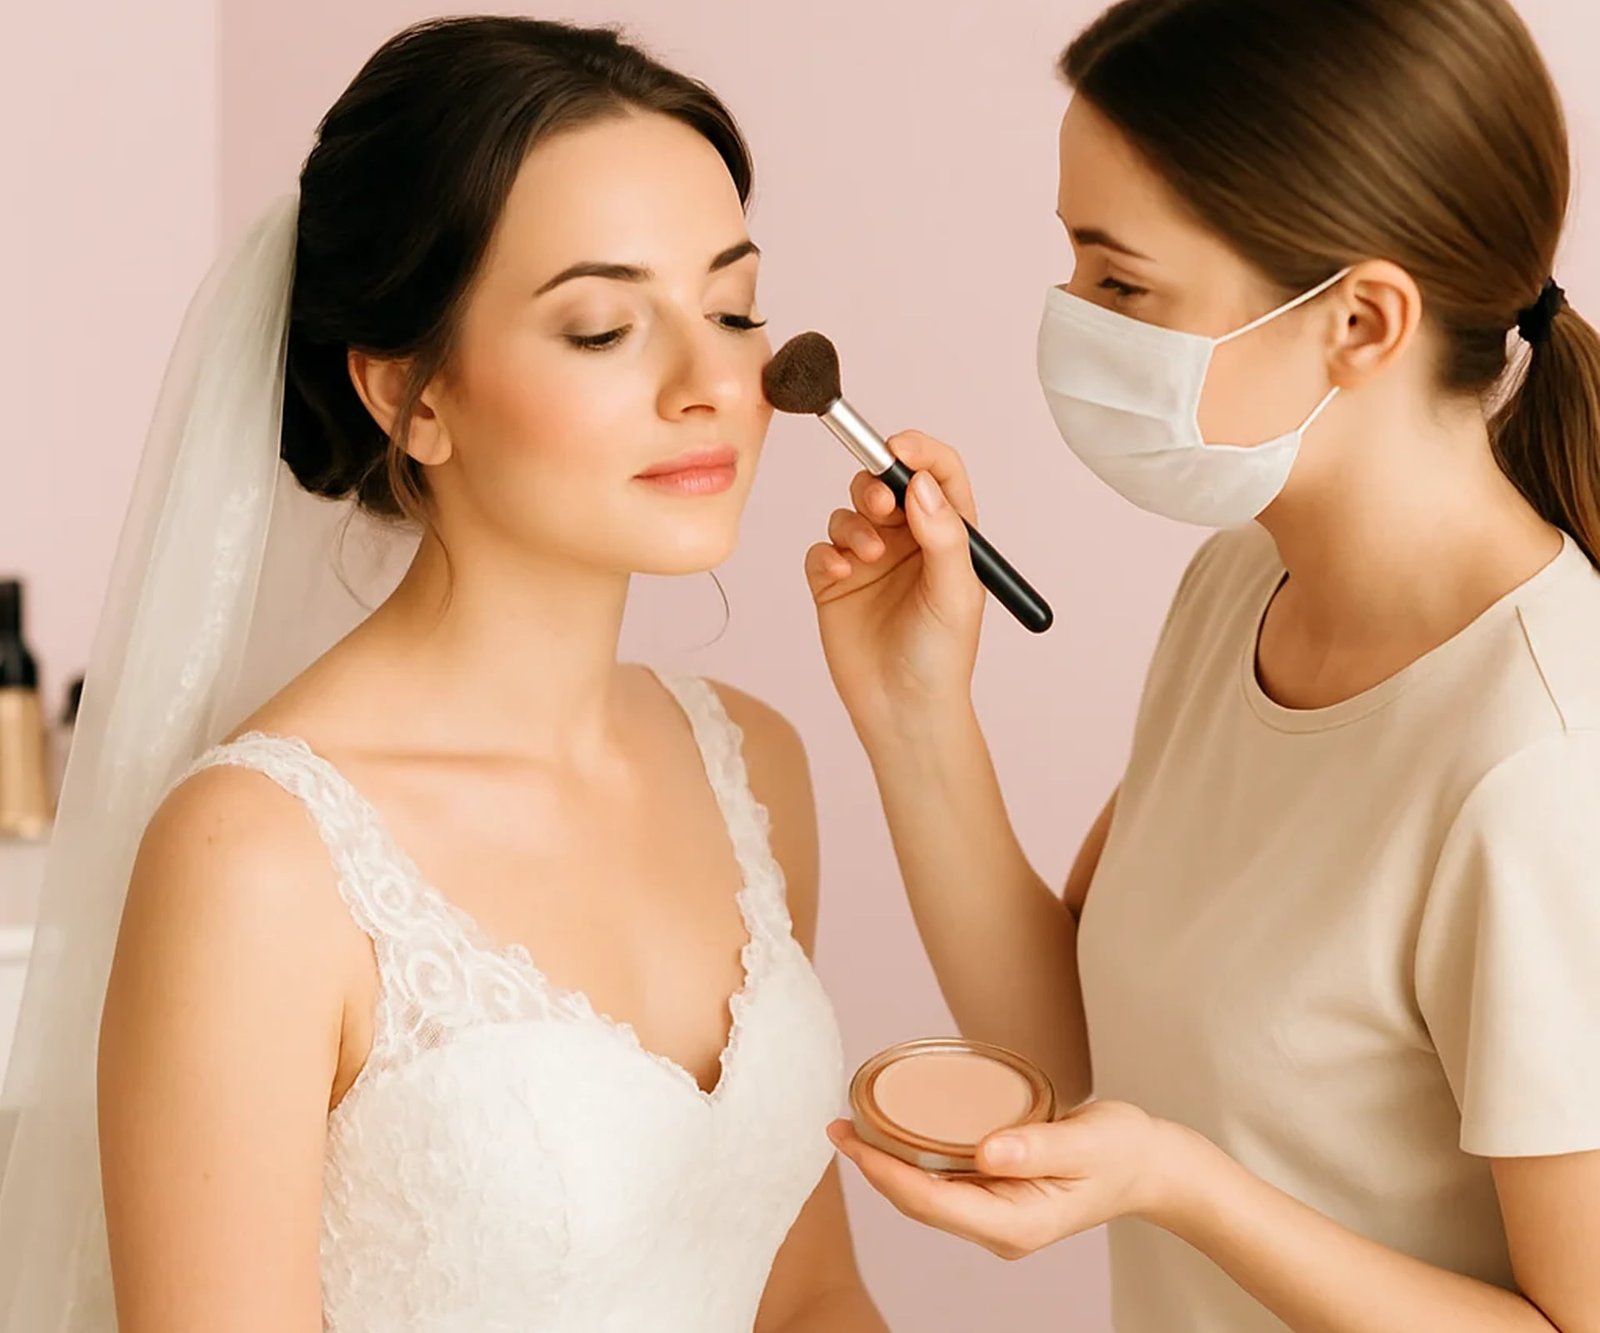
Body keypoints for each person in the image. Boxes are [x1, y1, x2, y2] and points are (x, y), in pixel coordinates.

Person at [0, 18, 883, 1333]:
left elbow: (809, 1298)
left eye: (735, 306)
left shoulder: (754, 763)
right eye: (601, 328)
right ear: (411, 394)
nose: (715, 381)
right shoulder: (257, 857)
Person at [810, 1, 1600, 1329]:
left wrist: (1188, 1184)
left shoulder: (1539, 769)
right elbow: (1078, 1052)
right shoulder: (1246, 584)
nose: (1073, 321)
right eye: (1075, 266)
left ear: (1360, 320)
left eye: (1123, 285)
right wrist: (913, 707)